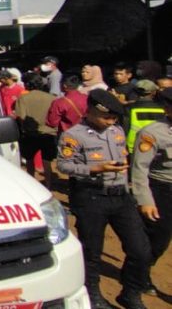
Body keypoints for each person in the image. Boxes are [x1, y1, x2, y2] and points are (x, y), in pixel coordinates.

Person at [57, 89, 151, 309]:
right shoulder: (73, 135)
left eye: (114, 118)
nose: (111, 122)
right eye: (107, 117)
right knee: (92, 252)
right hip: (91, 197)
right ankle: (93, 295)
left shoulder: (116, 131)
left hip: (120, 196)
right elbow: (63, 165)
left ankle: (131, 292)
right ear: (90, 111)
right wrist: (95, 168)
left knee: (140, 249)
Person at [131, 87, 172, 296]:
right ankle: (138, 277)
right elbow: (139, 169)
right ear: (167, 109)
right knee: (158, 239)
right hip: (162, 190)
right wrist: (145, 200)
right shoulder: (152, 133)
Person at [15, 73, 59, 188]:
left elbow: (21, 116)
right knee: (47, 161)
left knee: (30, 161)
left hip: (30, 134)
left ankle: (32, 184)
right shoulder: (51, 98)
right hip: (49, 133)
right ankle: (48, 185)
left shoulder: (23, 98)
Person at [125, 80, 164, 153]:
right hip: (158, 145)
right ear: (154, 92)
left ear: (136, 92)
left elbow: (125, 128)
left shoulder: (129, 108)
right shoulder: (163, 108)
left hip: (135, 147)